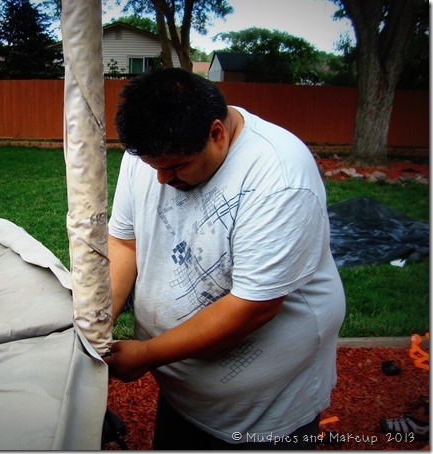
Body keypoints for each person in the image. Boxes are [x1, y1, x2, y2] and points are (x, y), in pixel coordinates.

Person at [104, 68, 346, 450]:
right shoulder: (156, 149)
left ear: (217, 133)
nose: (162, 180)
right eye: (154, 167)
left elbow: (253, 307)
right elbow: (124, 244)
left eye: (175, 167)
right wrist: (102, 320)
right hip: (183, 392)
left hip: (264, 412)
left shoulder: (279, 176)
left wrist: (148, 354)